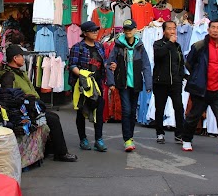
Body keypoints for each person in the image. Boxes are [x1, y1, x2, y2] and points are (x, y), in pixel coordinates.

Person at [0, 44, 78, 162]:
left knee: (53, 117)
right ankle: (61, 153)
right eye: (21, 56)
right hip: (22, 110)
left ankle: (53, 148)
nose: (23, 59)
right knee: (53, 119)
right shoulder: (9, 76)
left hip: (32, 106)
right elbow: (8, 97)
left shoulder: (20, 73)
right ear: (15, 58)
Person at [181, 18, 218, 157]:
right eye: (212, 27)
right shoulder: (199, 46)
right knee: (193, 116)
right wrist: (197, 77)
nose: (215, 30)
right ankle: (187, 139)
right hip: (202, 88)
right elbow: (189, 63)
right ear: (208, 30)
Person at [68, 21, 114, 152]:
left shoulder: (99, 47)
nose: (95, 33)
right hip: (81, 85)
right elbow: (72, 65)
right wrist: (83, 75)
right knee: (81, 112)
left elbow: (103, 63)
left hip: (97, 84)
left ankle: (98, 139)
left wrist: (110, 67)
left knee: (99, 111)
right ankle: (83, 139)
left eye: (96, 30)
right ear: (85, 33)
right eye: (92, 31)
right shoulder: (78, 47)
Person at [108, 19, 152, 152]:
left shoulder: (140, 46)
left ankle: (130, 137)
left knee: (133, 112)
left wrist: (148, 84)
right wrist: (111, 82)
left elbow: (146, 66)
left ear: (135, 30)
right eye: (126, 29)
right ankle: (127, 139)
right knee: (126, 110)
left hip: (136, 84)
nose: (128, 31)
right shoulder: (118, 45)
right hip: (123, 83)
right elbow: (109, 64)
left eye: (130, 29)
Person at [152, 20, 186, 144]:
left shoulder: (177, 46)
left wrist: (180, 76)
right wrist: (169, 44)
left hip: (175, 82)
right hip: (161, 82)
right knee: (160, 108)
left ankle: (179, 134)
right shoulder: (158, 44)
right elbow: (158, 56)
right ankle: (160, 133)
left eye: (174, 28)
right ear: (164, 31)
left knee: (178, 107)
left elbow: (180, 62)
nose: (172, 31)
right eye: (169, 29)